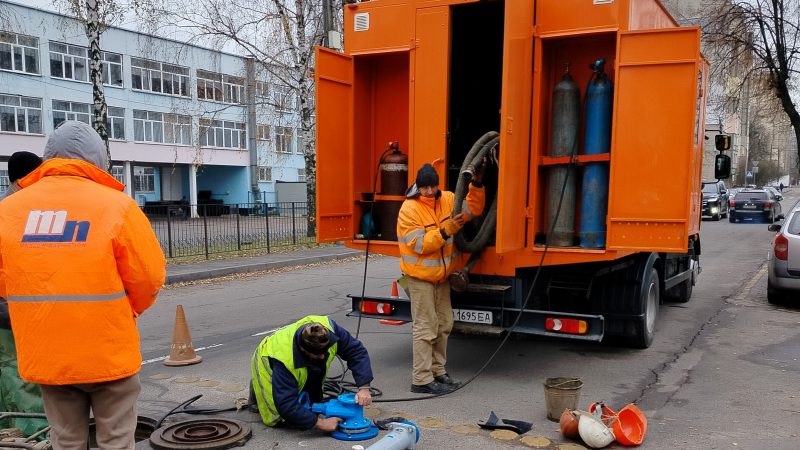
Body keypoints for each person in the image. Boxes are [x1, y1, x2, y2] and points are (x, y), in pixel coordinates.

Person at [0, 121, 166, 450]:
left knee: (65, 440)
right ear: (98, 161)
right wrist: (126, 310)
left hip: (48, 355)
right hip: (108, 351)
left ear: (49, 158)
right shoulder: (118, 207)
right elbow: (149, 276)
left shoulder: (9, 211)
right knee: (117, 440)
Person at [396, 162, 485, 394]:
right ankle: (421, 379)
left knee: (444, 324)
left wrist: (476, 184)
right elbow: (420, 245)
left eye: (432, 187)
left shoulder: (447, 198)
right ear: (418, 186)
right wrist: (446, 230)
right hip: (419, 279)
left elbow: (473, 209)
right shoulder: (409, 209)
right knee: (425, 328)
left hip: (441, 278)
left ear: (438, 185)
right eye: (424, 188)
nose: (429, 191)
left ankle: (438, 371)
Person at [250, 315, 373, 431]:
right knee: (279, 418)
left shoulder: (329, 330)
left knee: (313, 400)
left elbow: (356, 352)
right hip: (267, 358)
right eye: (317, 354)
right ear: (303, 349)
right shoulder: (284, 360)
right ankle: (255, 395)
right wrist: (321, 424)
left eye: (324, 352)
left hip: (295, 356)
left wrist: (364, 387)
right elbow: (286, 404)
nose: (322, 357)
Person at [0, 151, 46, 438]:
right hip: (10, 309)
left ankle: (11, 431)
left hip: (11, 306)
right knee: (20, 376)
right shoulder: (14, 212)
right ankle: (36, 436)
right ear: (22, 179)